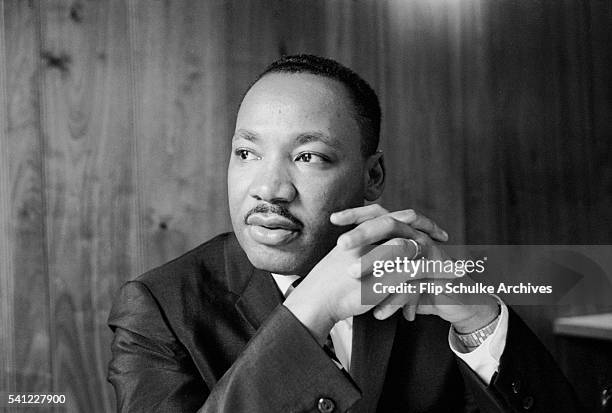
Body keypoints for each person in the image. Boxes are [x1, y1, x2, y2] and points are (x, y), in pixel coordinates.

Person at [107, 54, 582, 412]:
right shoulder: (158, 307)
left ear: (372, 177)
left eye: (308, 156)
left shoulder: (422, 277)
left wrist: (481, 319)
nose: (269, 188)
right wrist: (309, 311)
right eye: (247, 153)